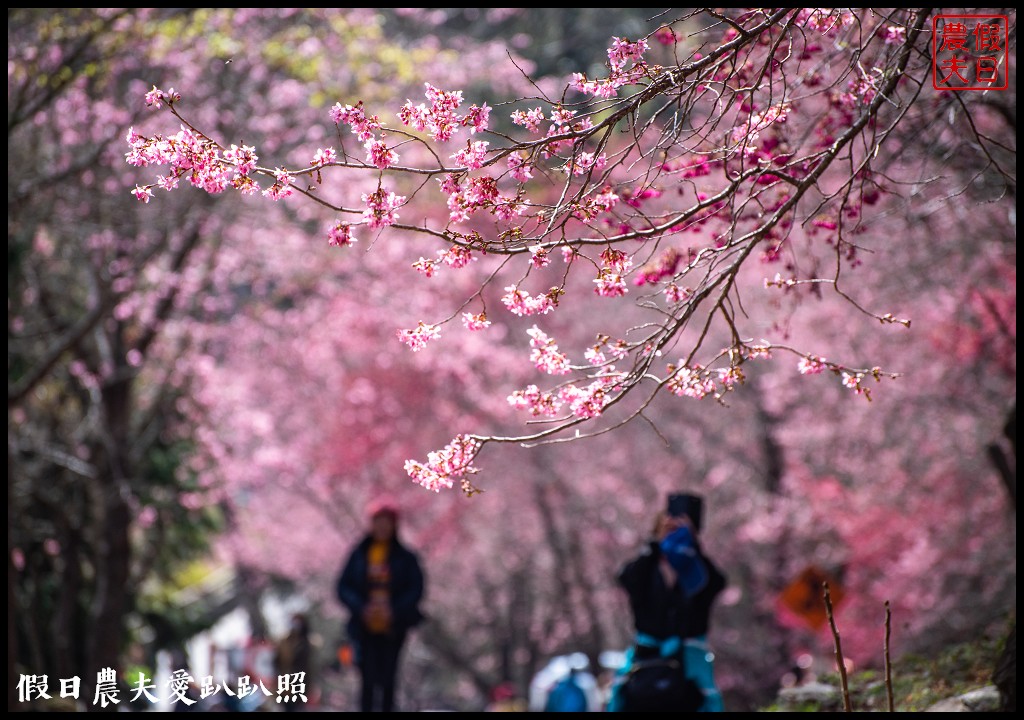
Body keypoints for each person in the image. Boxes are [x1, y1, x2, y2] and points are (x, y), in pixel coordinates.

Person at [607, 492, 727, 712]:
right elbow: (627, 579)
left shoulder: (697, 571)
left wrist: (692, 546)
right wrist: (656, 546)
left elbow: (716, 584)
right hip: (646, 663)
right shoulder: (647, 567)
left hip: (690, 669)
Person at [336, 497, 425, 712]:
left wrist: (393, 610)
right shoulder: (359, 555)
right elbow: (343, 587)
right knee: (366, 679)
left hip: (393, 627)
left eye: (387, 521)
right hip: (363, 626)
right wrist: (361, 608)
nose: (382, 526)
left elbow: (416, 589)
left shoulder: (405, 557)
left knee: (388, 678)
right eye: (378, 521)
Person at [274, 612, 314, 711]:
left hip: (298, 686)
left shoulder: (306, 645)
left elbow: (306, 667)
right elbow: (277, 661)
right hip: (283, 685)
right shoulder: (284, 641)